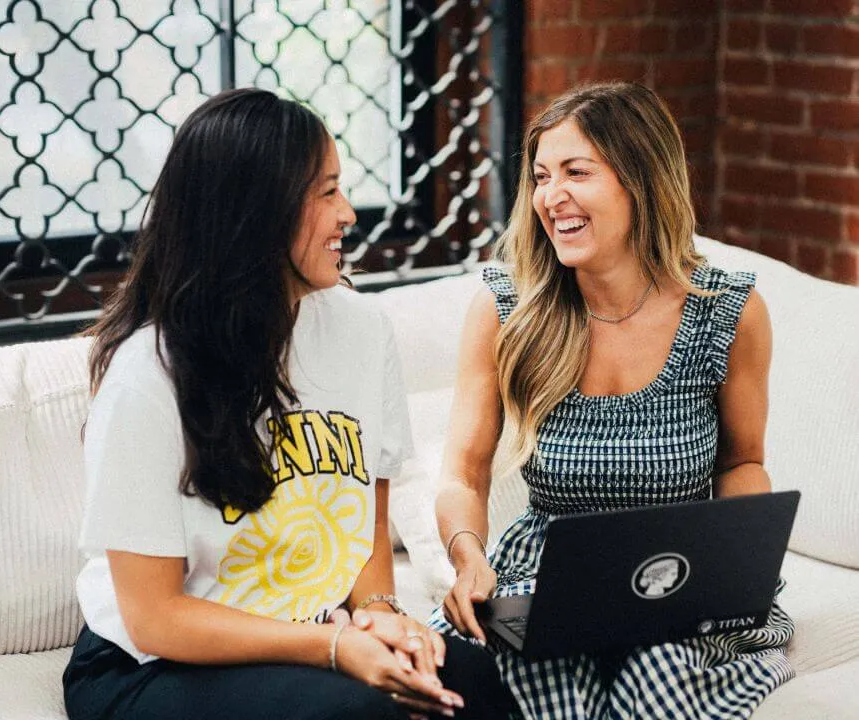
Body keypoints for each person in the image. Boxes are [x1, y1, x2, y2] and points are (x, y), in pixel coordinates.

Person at [62, 88, 513, 720]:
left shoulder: (362, 331)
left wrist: (380, 617)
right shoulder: (149, 376)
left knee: (477, 682)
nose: (349, 213)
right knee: (359, 713)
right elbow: (155, 619)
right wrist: (333, 646)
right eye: (326, 192)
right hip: (150, 666)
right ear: (256, 213)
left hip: (305, 638)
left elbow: (364, 530)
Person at [428, 81, 795, 719]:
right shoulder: (507, 307)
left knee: (658, 663)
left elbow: (742, 463)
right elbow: (463, 470)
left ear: (641, 180)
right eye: (542, 176)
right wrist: (468, 559)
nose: (551, 197)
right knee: (544, 668)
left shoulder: (728, 310)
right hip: (546, 576)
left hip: (677, 574)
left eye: (577, 172)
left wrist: (735, 567)